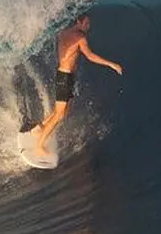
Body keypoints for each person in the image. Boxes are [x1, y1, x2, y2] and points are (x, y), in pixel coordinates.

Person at [34, 13, 122, 156]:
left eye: (89, 24)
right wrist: (112, 64)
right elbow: (90, 56)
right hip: (65, 76)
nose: (88, 27)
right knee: (60, 114)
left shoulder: (63, 32)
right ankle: (39, 145)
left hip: (63, 75)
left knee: (62, 111)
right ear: (79, 22)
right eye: (86, 24)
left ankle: (40, 128)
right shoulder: (80, 37)